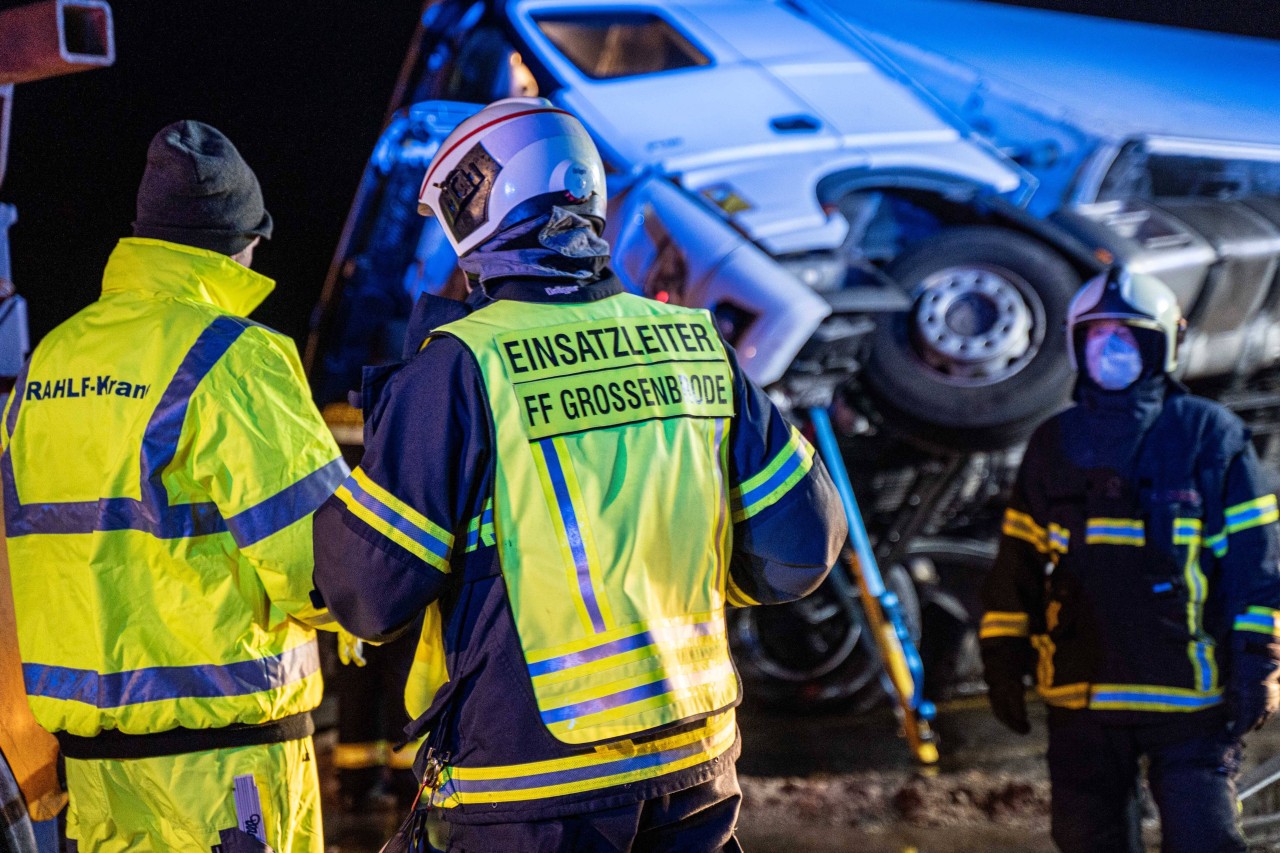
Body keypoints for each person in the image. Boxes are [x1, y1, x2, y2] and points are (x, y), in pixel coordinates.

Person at [312, 97, 846, 852]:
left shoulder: (461, 366)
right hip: (696, 765)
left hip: (527, 786)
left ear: (486, 206)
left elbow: (367, 596)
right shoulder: (694, 344)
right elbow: (801, 550)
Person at [0, 120, 349, 852]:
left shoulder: (48, 364)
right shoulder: (234, 357)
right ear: (241, 243)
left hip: (92, 781)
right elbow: (319, 567)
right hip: (226, 771)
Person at [980, 266, 1280, 852]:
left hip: (1190, 705)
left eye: (1127, 335)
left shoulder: (1208, 436)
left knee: (1205, 842)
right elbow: (1016, 566)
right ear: (1075, 343)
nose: (1110, 349)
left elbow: (1256, 566)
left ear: (1161, 343)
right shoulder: (1053, 444)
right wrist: (1002, 653)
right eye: (1097, 335)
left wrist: (1258, 662)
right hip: (1079, 701)